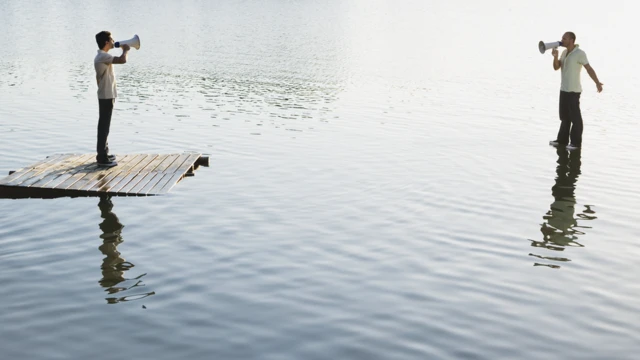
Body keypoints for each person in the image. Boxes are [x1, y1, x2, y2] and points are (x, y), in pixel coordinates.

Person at [548, 32, 603, 151]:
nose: (562, 40)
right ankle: (562, 141)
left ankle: (576, 143)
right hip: (563, 90)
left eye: (564, 38)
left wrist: (597, 82)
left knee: (575, 118)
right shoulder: (564, 52)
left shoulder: (580, 53)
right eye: (562, 38)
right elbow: (556, 67)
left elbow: (589, 68)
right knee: (564, 117)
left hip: (574, 91)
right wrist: (555, 57)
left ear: (571, 40)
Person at [94, 31, 130, 167]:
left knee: (105, 125)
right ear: (106, 42)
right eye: (111, 39)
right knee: (104, 126)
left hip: (107, 94)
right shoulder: (103, 56)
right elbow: (122, 60)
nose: (114, 40)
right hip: (106, 95)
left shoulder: (103, 56)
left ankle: (104, 152)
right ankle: (102, 157)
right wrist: (126, 50)